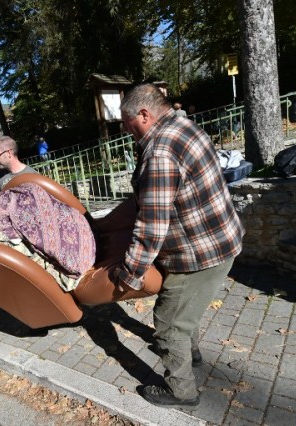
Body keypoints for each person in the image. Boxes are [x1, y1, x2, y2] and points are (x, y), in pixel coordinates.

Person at [115, 84, 244, 409]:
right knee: (185, 310)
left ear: (144, 114)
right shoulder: (183, 124)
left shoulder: (159, 151)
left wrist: (129, 275)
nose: (125, 129)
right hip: (219, 240)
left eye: (127, 121)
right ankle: (192, 353)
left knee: (169, 323)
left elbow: (151, 226)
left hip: (198, 253)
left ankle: (181, 391)